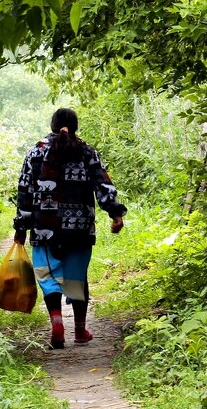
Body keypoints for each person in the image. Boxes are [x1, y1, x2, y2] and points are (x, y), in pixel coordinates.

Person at [13, 108, 126, 349]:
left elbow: (26, 190)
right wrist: (115, 212)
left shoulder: (37, 151)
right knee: (76, 277)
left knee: (48, 273)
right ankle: (79, 331)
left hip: (45, 226)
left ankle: (56, 321)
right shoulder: (87, 151)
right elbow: (103, 184)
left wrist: (21, 227)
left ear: (52, 125)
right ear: (75, 126)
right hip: (80, 227)